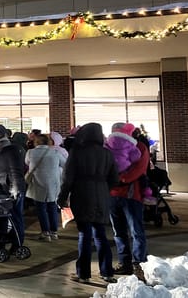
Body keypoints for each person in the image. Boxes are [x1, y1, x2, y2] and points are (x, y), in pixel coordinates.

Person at [57, 123, 119, 284]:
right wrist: (103, 188)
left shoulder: (77, 152)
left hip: (82, 194)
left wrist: (62, 197)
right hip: (102, 196)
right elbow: (115, 179)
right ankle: (107, 272)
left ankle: (83, 274)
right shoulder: (107, 154)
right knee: (101, 235)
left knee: (84, 234)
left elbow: (67, 178)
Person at [108, 122, 150, 280]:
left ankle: (138, 263)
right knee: (121, 231)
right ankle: (125, 262)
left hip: (131, 194)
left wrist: (119, 179)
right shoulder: (110, 146)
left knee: (134, 230)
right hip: (116, 194)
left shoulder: (139, 147)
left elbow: (140, 168)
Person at [0, 124, 26, 251]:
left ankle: (13, 244)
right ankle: (16, 243)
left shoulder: (5, 150)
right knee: (15, 216)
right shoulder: (16, 148)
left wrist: (14, 189)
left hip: (9, 188)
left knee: (10, 216)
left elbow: (11, 171)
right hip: (16, 186)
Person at [25, 133, 66, 242]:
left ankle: (45, 232)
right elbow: (65, 164)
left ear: (36, 142)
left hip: (38, 184)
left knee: (41, 209)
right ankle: (54, 232)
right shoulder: (55, 152)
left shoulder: (30, 153)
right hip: (53, 184)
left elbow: (27, 163)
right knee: (52, 207)